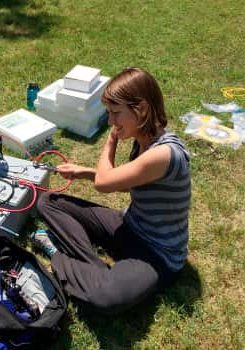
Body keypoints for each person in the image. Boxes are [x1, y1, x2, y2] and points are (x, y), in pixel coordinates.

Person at [30, 67, 191, 314]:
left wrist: (110, 142)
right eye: (108, 113)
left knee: (105, 298)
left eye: (116, 113)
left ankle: (56, 255)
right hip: (130, 226)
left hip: (157, 254)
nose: (110, 122)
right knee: (48, 202)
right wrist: (84, 171)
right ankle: (97, 270)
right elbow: (127, 182)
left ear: (143, 109)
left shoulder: (164, 153)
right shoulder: (144, 140)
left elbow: (104, 184)